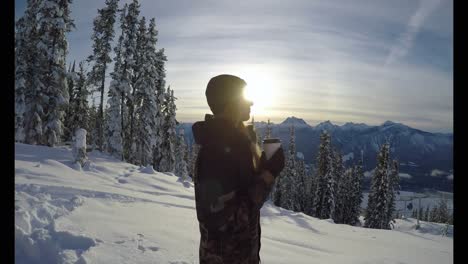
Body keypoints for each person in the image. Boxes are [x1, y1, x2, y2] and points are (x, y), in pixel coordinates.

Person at [192, 74, 285, 263]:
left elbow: (242, 193)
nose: (250, 102)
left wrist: (263, 165)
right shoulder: (216, 151)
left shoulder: (234, 144)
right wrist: (268, 174)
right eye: (244, 97)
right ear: (230, 103)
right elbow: (223, 219)